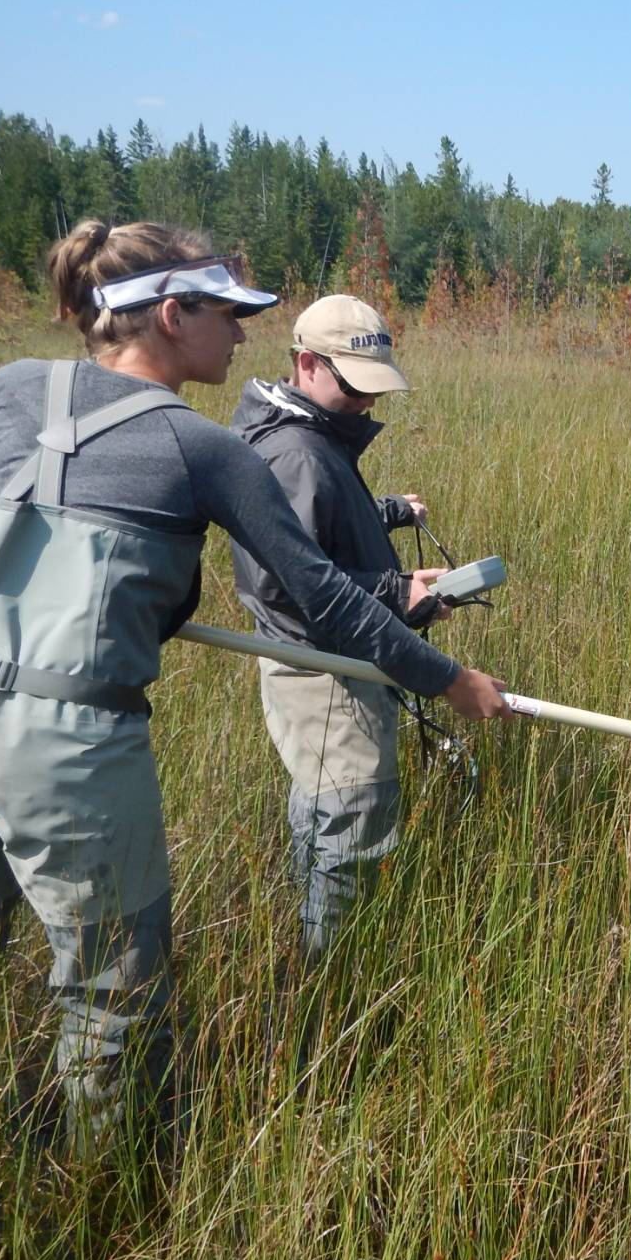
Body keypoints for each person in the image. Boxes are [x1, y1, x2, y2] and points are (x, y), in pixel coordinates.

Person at [0, 222, 511, 1150]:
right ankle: (111, 1218)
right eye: (228, 315)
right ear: (170, 313)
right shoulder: (204, 448)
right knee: (113, 997)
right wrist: (450, 681)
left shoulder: (8, 389)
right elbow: (320, 595)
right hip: (66, 753)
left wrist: (0, 565)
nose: (240, 337)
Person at [228, 295, 447, 964]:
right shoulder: (295, 452)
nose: (365, 403)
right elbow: (287, 584)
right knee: (350, 839)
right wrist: (396, 592)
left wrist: (388, 512)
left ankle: (325, 975)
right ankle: (335, 992)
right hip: (326, 675)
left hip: (339, 664)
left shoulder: (312, 438)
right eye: (355, 386)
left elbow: (316, 530)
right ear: (305, 363)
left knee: (327, 822)